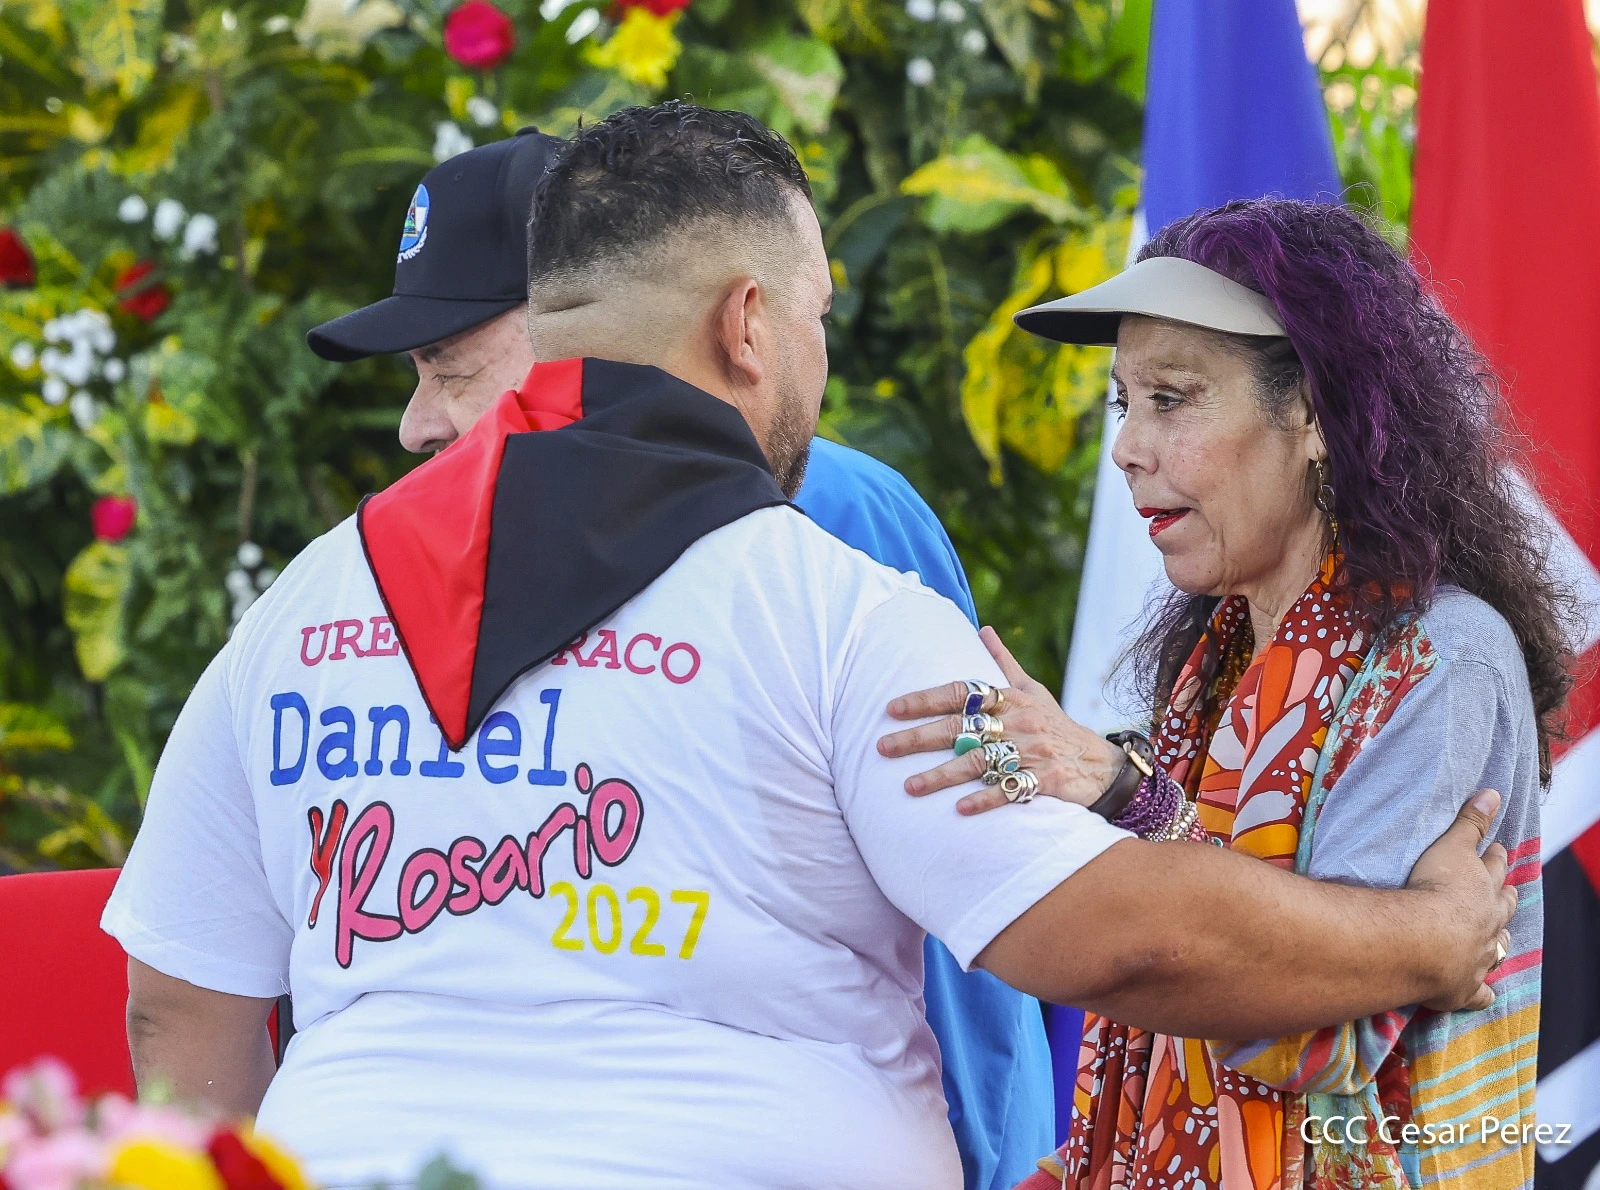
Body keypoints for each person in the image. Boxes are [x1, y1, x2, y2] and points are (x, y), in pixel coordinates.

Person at [106, 105, 1515, 1190]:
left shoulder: (297, 611)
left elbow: (178, 1007)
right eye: (819, 315)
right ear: (748, 324)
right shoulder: (844, 608)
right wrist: (1428, 933)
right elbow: (1119, 939)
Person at [303, 126, 1056, 1190]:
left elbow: (964, 887)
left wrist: (985, 1162)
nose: (415, 424)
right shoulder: (403, 548)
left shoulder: (830, 509)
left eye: (449, 367)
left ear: (578, 314)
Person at [880, 199, 1556, 1190]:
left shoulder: (1438, 655)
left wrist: (1128, 795)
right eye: (1125, 402)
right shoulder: (1222, 656)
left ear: (1315, 412)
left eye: (1172, 397)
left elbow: (1314, 1029)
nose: (1127, 446)